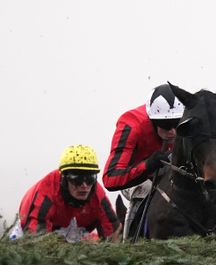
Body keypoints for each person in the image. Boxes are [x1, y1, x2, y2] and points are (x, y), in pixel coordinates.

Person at [102, 84, 184, 239]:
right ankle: (131, 243)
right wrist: (147, 166)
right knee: (145, 190)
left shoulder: (190, 123)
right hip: (138, 178)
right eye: (166, 125)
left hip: (172, 175)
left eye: (177, 123)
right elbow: (110, 178)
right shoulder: (131, 125)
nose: (172, 131)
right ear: (152, 120)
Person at [12, 144, 120, 241]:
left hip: (76, 233)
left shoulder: (97, 194)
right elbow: (36, 242)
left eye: (90, 178)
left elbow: (113, 233)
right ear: (64, 178)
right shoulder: (46, 193)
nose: (84, 185)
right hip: (30, 233)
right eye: (77, 178)